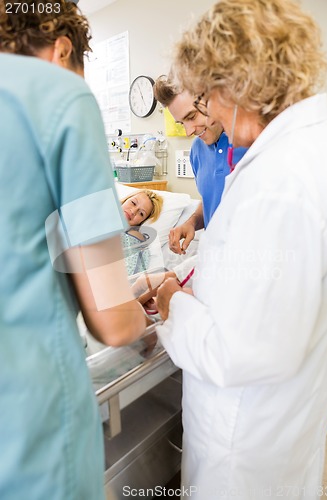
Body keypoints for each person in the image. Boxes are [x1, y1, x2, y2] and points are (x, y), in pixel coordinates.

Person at [155, 1, 327, 498]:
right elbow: (258, 278)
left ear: (240, 83)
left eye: (207, 96)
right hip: (280, 428)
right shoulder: (308, 147)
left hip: (243, 447)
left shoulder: (278, 183)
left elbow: (242, 352)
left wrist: (173, 304)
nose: (206, 112)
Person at [0, 1, 147, 499]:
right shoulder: (59, 97)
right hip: (29, 427)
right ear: (63, 48)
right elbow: (110, 318)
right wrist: (144, 306)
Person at [154, 75, 247, 255]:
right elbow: (211, 201)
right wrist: (192, 222)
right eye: (182, 123)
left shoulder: (251, 141)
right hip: (220, 262)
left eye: (192, 116)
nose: (188, 131)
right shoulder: (197, 151)